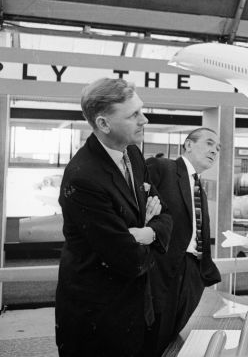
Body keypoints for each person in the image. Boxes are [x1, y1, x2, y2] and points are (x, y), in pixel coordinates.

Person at [55, 78, 172, 357]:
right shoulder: (83, 177)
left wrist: (146, 232)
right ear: (104, 124)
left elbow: (166, 216)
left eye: (141, 110)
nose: (145, 119)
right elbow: (130, 259)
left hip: (136, 308)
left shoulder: (131, 152)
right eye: (134, 115)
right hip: (99, 320)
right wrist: (148, 225)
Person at [146, 127, 222, 355]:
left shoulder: (198, 186)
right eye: (209, 143)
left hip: (192, 273)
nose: (215, 151)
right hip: (163, 270)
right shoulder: (162, 168)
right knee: (152, 337)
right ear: (188, 145)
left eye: (218, 148)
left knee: (171, 336)